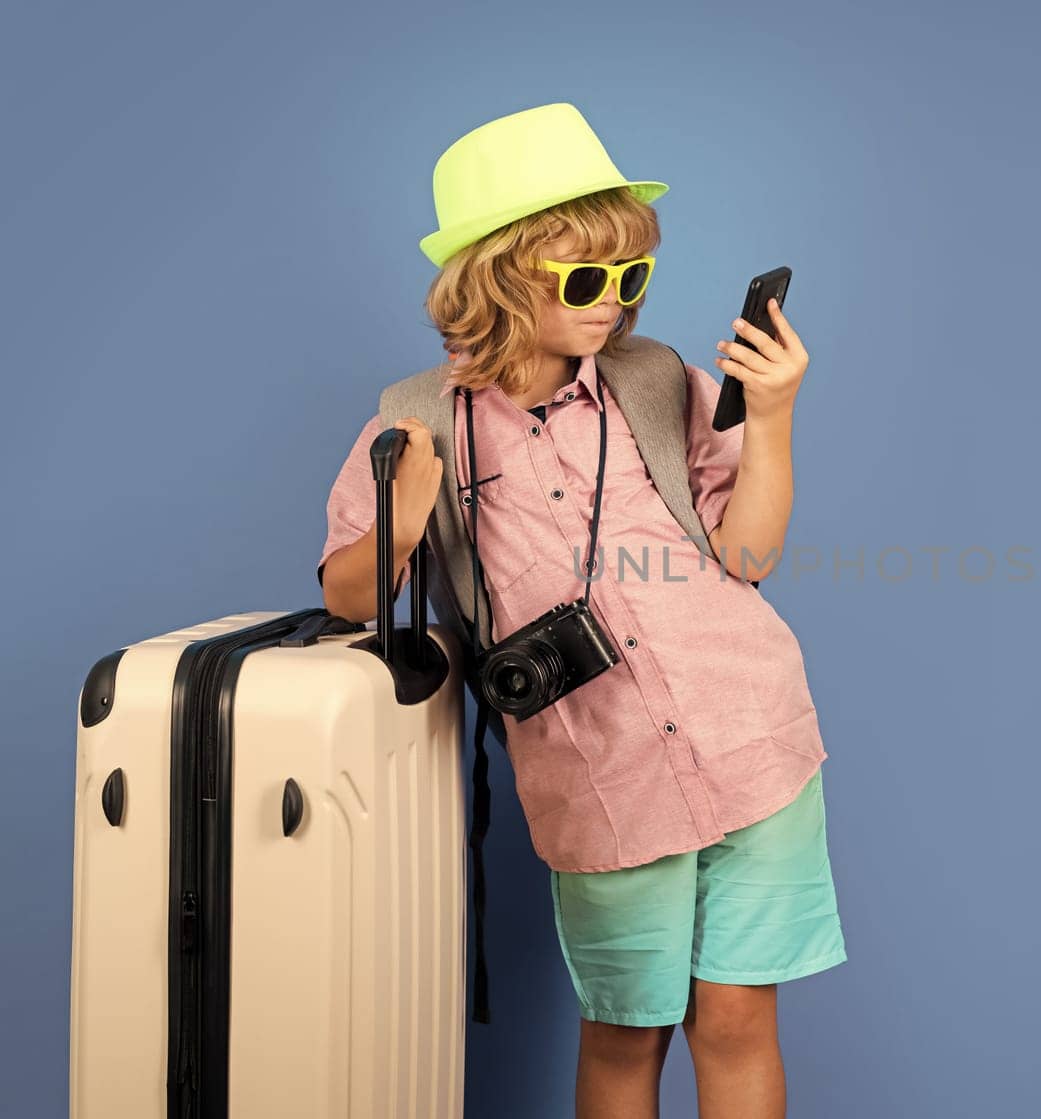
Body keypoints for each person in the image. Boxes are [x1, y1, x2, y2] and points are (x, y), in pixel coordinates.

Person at [315, 102, 846, 1119]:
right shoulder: (414, 419)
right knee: (626, 1030)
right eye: (586, 279)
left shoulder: (654, 383)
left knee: (736, 1020)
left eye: (631, 277)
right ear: (499, 279)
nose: (616, 304)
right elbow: (347, 598)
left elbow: (749, 552)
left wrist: (771, 417)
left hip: (753, 735)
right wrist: (403, 517)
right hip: (601, 773)